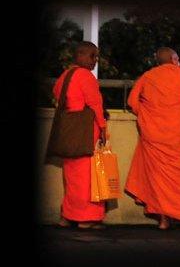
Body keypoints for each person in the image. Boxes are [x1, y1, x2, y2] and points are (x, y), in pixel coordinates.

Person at [124, 47, 180, 230]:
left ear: (157, 60)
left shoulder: (148, 76)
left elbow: (132, 101)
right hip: (175, 134)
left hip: (152, 134)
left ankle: (164, 221)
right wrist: (179, 65)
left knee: (157, 179)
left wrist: (146, 114)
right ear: (175, 58)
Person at [53, 41, 109, 230]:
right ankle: (85, 219)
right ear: (80, 55)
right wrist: (102, 128)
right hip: (85, 130)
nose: (95, 61)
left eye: (96, 57)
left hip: (68, 129)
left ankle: (67, 217)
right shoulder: (85, 76)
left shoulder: (64, 75)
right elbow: (95, 104)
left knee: (71, 177)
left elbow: (57, 94)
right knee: (87, 177)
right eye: (92, 56)